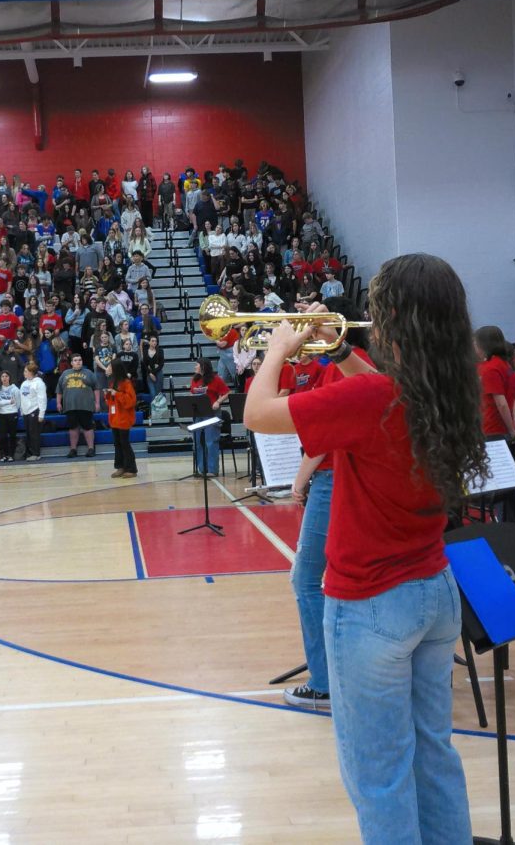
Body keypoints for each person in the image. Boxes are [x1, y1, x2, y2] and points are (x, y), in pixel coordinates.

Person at [244, 253, 481, 843]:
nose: (368, 321)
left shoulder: (374, 401)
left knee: (378, 775)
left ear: (394, 318)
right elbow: (381, 391)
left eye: (374, 312)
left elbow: (256, 413)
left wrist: (277, 348)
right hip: (434, 591)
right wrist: (339, 349)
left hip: (371, 603)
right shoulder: (451, 389)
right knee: (435, 757)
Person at [283, 298, 372, 710]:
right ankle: (345, 668)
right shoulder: (360, 361)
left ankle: (323, 681)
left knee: (306, 581)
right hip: (349, 477)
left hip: (331, 477)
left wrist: (300, 483)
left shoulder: (340, 367)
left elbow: (324, 434)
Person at [475, 326, 515, 439]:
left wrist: (511, 431)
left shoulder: (490, 368)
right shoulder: (505, 365)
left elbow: (502, 403)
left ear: (483, 344)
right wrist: (514, 426)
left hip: (492, 429)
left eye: (475, 343)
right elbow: (512, 399)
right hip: (499, 427)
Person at [189, 357, 229, 477]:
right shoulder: (195, 380)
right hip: (198, 414)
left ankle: (212, 469)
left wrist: (218, 401)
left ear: (203, 366)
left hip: (212, 414)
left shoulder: (215, 379)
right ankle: (202, 469)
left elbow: (227, 392)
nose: (195, 367)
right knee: (197, 442)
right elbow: (192, 392)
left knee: (210, 441)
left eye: (197, 365)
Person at [57, 353, 97, 458]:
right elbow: (59, 390)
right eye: (75, 360)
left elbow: (96, 388)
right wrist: (58, 403)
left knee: (88, 427)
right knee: (73, 428)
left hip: (86, 405)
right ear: (71, 363)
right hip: (70, 406)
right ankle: (73, 449)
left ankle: (91, 448)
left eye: (80, 360)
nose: (78, 362)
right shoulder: (65, 374)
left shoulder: (89, 373)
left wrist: (97, 403)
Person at [105, 359, 138, 478]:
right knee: (117, 444)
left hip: (124, 418)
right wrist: (108, 395)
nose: (108, 368)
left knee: (124, 443)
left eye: (109, 366)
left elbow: (131, 401)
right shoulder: (113, 382)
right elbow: (110, 402)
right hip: (115, 418)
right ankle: (121, 467)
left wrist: (116, 394)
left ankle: (132, 468)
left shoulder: (126, 382)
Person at [19, 362, 47, 462]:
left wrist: (41, 414)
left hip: (34, 410)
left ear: (31, 372)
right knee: (29, 433)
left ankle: (36, 453)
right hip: (26, 411)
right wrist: (22, 410)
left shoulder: (39, 383)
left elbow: (42, 399)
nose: (24, 373)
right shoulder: (24, 383)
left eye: (26, 371)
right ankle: (30, 452)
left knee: (34, 433)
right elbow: (22, 397)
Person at [0, 370, 22, 462]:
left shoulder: (15, 389)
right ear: (0, 378)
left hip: (12, 413)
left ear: (9, 378)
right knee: (2, 436)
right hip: (1, 414)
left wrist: (13, 409)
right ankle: (4, 454)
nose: (4, 378)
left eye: (6, 376)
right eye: (2, 376)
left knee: (12, 435)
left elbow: (18, 402)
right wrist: (9, 402)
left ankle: (11, 455)